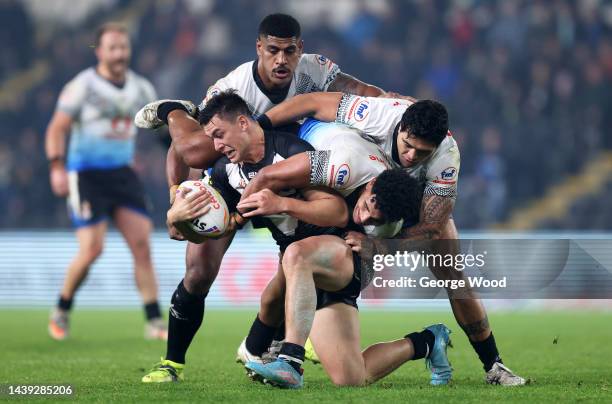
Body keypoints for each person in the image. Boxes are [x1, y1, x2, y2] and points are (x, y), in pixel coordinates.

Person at [135, 13, 388, 380]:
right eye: (273, 51)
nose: (281, 60)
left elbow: (356, 90)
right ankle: (172, 363)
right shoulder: (234, 88)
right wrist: (178, 198)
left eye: (289, 51)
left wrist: (394, 103)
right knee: (199, 270)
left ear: (300, 50)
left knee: (294, 264)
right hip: (231, 175)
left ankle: (273, 344)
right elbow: (184, 153)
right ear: (259, 49)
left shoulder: (314, 71)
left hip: (281, 168)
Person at [254, 91, 527, 385]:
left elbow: (432, 227)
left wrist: (381, 246)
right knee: (298, 258)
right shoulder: (379, 114)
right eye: (407, 146)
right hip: (365, 195)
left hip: (409, 210)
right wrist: (261, 124)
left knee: (452, 270)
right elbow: (313, 103)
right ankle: (275, 344)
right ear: (401, 127)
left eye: (422, 153)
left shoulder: (446, 157)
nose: (410, 157)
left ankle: (493, 365)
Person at [45, 23, 166, 341]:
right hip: (86, 174)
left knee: (142, 246)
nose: (119, 54)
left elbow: (162, 133)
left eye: (123, 47)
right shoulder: (82, 86)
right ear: (99, 51)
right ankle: (62, 308)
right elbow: (57, 128)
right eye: (112, 47)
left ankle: (155, 322)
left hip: (122, 174)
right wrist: (57, 166)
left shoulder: (141, 89)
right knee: (92, 249)